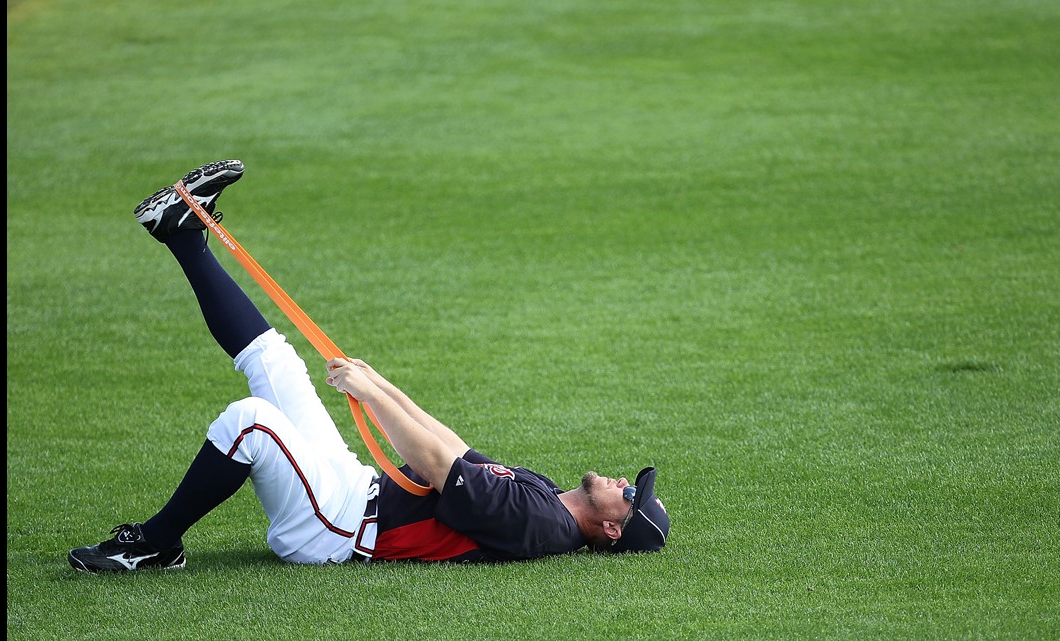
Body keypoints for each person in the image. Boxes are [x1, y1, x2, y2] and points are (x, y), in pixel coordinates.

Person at [67, 160, 671, 572]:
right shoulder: (545, 495)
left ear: (613, 530)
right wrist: (379, 381)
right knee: (275, 362)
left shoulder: (544, 528)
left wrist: (372, 396)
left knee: (250, 420)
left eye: (630, 496)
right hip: (354, 488)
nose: (623, 481)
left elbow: (438, 467)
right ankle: (181, 233)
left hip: (337, 528)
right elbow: (455, 449)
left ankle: (153, 545)